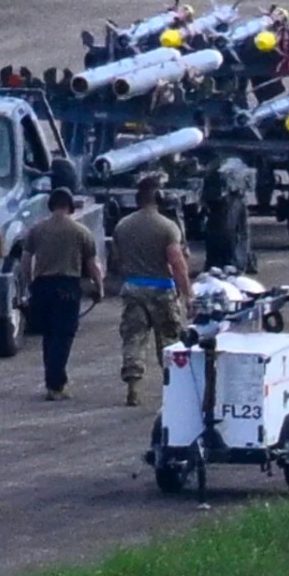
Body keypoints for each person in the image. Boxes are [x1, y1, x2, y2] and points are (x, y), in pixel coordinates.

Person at [112, 173, 193, 406]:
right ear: (158, 197)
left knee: (133, 338)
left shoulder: (122, 226)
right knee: (169, 340)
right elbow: (177, 263)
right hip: (161, 290)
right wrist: (188, 294)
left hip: (133, 287)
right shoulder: (168, 227)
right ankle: (173, 387)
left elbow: (116, 261)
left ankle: (133, 387)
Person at [18, 187, 103, 401]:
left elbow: (25, 261)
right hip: (67, 287)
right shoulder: (81, 231)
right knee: (63, 337)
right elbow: (92, 265)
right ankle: (56, 385)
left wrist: (30, 285)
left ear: (51, 206)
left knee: (49, 336)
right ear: (70, 206)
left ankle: (54, 381)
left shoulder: (36, 230)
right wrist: (99, 288)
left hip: (42, 286)